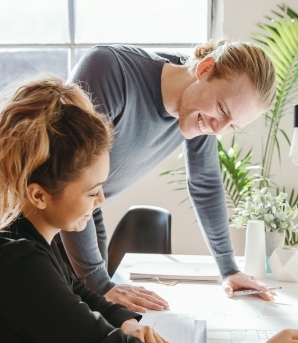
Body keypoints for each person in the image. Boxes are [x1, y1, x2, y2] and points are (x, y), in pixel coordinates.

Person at [0, 76, 298, 343]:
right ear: (39, 194)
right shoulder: (18, 262)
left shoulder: (30, 234)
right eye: (92, 192)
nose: (101, 201)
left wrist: (126, 321)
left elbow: (73, 290)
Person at [61, 39, 277, 312]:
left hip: (85, 213)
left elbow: (205, 184)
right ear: (205, 69)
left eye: (231, 125)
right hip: (34, 217)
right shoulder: (110, 69)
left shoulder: (199, 111)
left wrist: (229, 269)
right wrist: (100, 284)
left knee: (97, 323)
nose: (218, 129)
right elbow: (71, 178)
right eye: (222, 109)